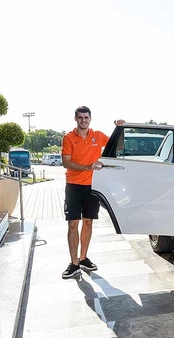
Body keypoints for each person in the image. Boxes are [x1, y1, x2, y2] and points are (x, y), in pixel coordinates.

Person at [61, 105, 125, 279]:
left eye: (86, 117)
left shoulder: (97, 135)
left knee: (88, 222)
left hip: (93, 186)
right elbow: (66, 162)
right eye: (80, 117)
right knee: (73, 224)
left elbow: (117, 147)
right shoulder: (68, 138)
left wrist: (120, 129)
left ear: (90, 119)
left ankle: (83, 259)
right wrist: (87, 167)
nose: (83, 120)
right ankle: (74, 264)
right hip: (73, 185)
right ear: (75, 118)